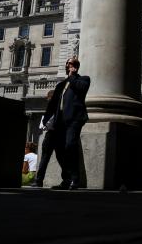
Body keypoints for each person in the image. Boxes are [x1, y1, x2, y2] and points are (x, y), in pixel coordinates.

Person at [50, 56, 90, 190]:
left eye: (72, 63)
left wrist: (72, 76)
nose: (69, 65)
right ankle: (66, 179)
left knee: (70, 145)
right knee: (59, 149)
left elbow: (81, 89)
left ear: (76, 66)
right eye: (68, 64)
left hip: (74, 119)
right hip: (60, 121)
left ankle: (74, 179)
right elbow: (54, 103)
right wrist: (47, 119)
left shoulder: (83, 79)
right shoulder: (62, 84)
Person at [30, 90, 64, 188]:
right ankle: (68, 178)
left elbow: (45, 124)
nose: (47, 99)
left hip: (51, 134)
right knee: (60, 157)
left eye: (48, 97)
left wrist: (45, 124)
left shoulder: (53, 108)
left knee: (45, 157)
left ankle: (39, 180)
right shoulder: (60, 107)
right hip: (58, 134)